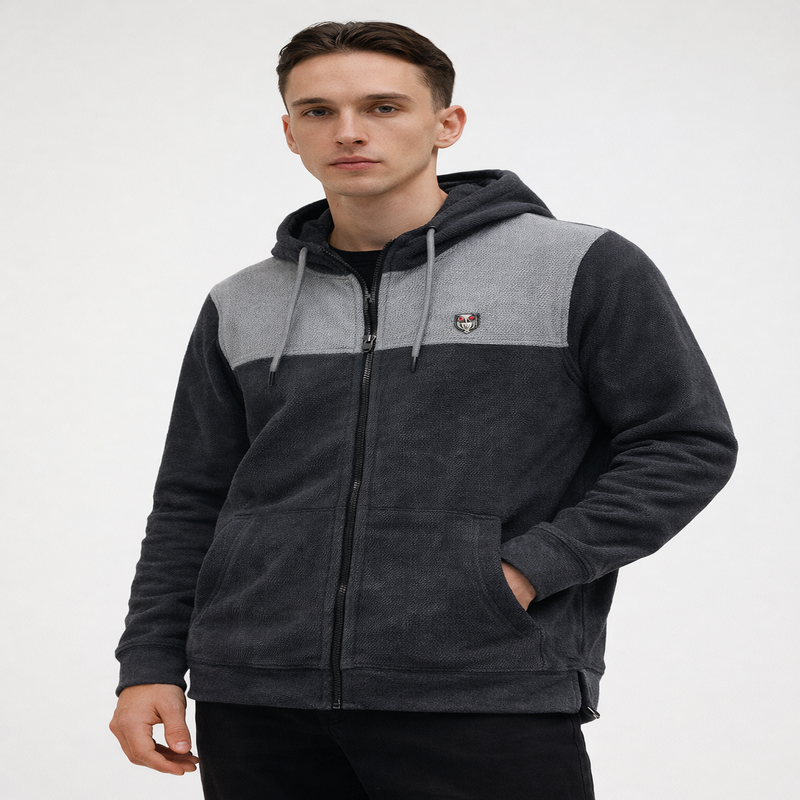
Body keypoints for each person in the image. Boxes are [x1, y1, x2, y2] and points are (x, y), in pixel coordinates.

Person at [110, 20, 737, 799]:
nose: (348, 131)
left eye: (383, 107)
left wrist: (523, 571)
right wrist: (148, 664)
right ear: (290, 133)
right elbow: (192, 498)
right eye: (318, 111)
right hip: (257, 700)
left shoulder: (577, 266)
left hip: (480, 687)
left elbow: (686, 443)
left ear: (447, 123)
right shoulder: (243, 302)